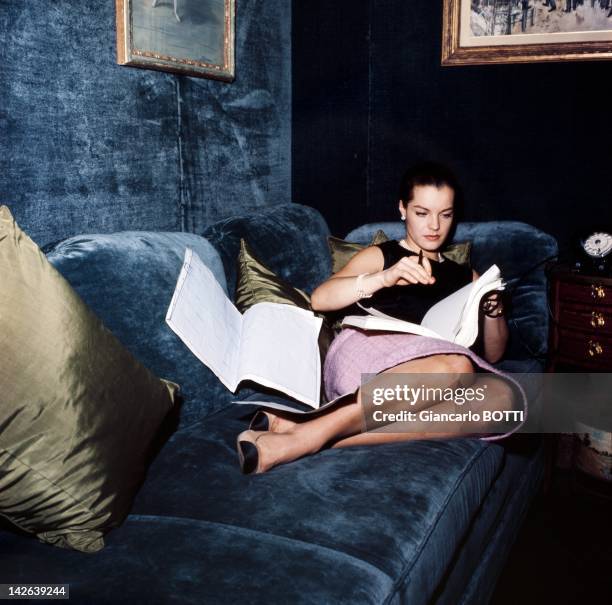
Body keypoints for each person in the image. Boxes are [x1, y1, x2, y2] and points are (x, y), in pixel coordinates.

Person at [236, 162, 523, 475]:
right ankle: (307, 436)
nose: (434, 226)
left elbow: (494, 355)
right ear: (402, 209)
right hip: (368, 357)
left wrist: (494, 312)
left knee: (504, 402)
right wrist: (382, 279)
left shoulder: (467, 276)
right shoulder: (383, 255)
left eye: (445, 214)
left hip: (430, 376)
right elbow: (320, 298)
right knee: (457, 366)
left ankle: (317, 434)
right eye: (422, 212)